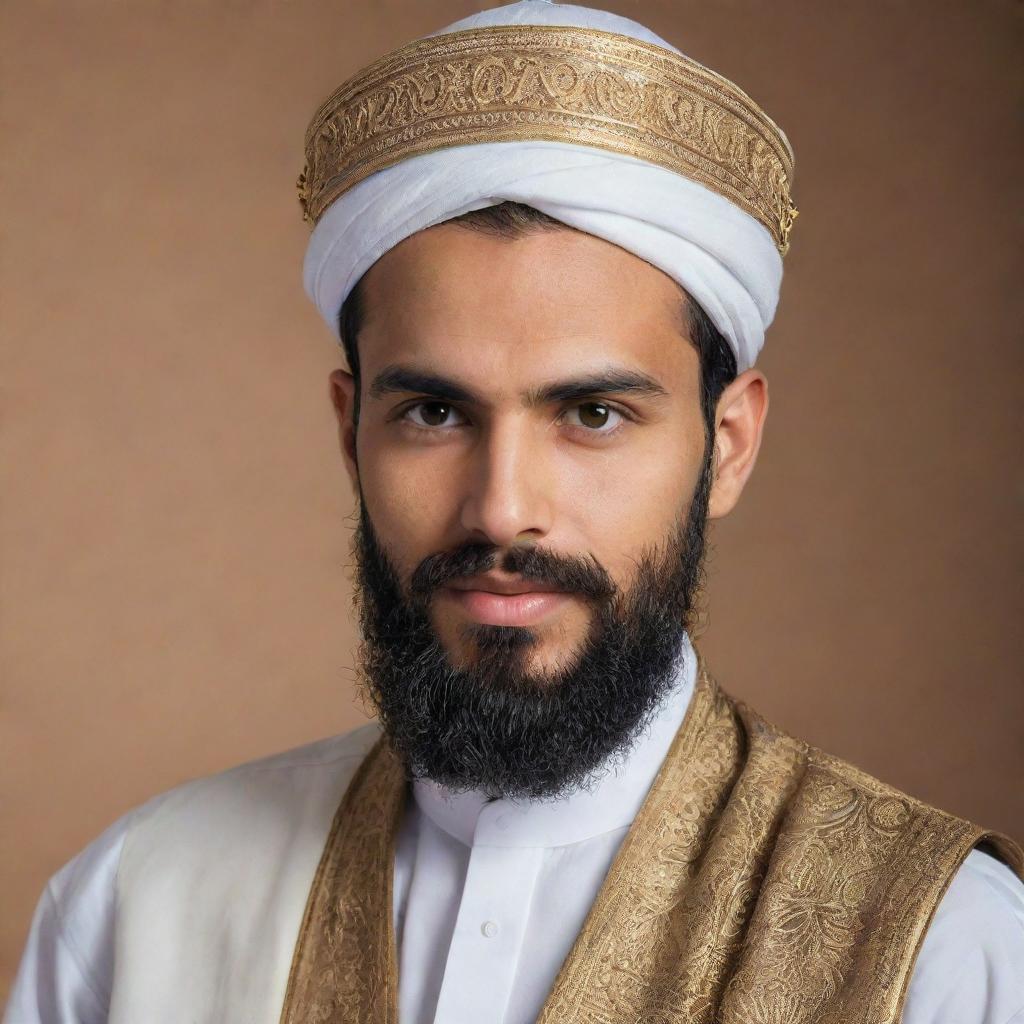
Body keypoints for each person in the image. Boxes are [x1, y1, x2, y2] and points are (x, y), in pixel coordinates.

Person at [5, 1, 1023, 1022]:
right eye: (435, 412)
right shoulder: (134, 914)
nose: (500, 510)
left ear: (727, 445)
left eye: (592, 413)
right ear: (349, 428)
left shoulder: (945, 953)